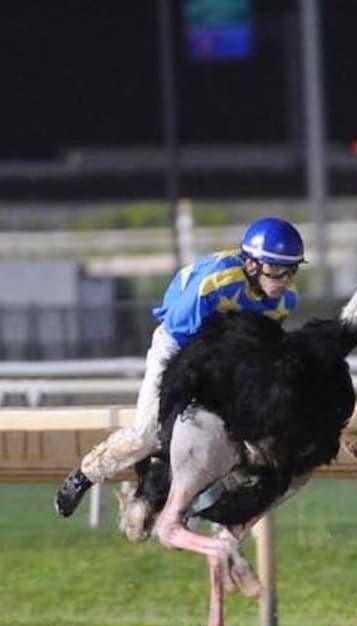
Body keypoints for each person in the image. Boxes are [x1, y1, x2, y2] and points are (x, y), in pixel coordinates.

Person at [54, 216, 305, 522]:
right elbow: (182, 340)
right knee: (146, 434)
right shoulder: (216, 283)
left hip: (224, 355)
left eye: (292, 270)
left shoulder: (284, 301)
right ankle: (85, 475)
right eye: (278, 270)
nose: (286, 280)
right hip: (178, 346)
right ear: (252, 265)